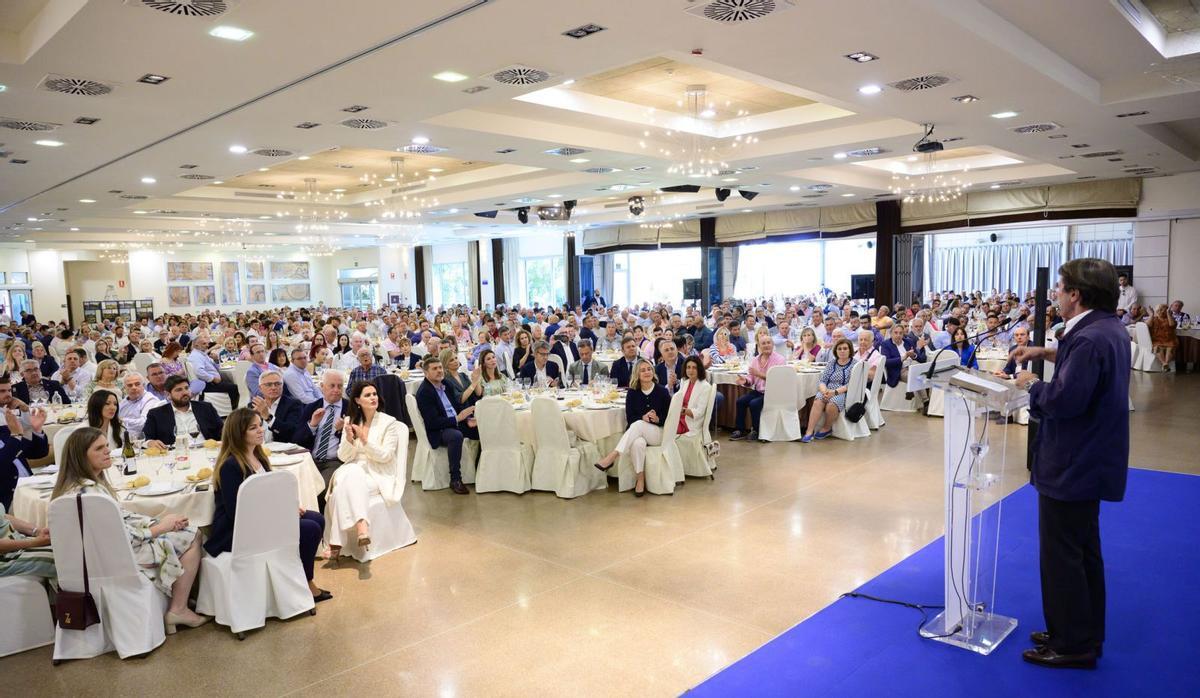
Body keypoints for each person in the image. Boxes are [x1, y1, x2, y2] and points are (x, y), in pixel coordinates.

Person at [1010, 258, 1130, 669]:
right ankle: (1079, 630)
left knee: (1062, 555)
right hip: (1091, 459)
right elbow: (1083, 365)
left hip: (1073, 462)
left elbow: (1065, 401)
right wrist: (1048, 350)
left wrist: (1034, 384)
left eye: (1060, 289)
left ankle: (1073, 643)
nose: (1056, 295)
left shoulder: (1089, 339)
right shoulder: (1106, 329)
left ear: (1075, 294)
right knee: (1083, 552)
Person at [52, 428, 210, 633]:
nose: (107, 451)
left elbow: (121, 519)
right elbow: (123, 537)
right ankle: (179, 608)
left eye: (106, 446)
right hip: (120, 559)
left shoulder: (72, 489)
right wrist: (161, 527)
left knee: (177, 529)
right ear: (81, 457)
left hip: (91, 560)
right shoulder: (92, 494)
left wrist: (159, 523)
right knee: (193, 535)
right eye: (99, 449)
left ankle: (180, 598)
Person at [204, 409, 330, 603]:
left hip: (262, 520)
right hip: (239, 530)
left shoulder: (259, 456)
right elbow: (236, 512)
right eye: (253, 428)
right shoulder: (231, 466)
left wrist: (288, 507)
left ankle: (300, 576)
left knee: (317, 518)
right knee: (309, 529)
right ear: (239, 433)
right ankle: (306, 582)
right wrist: (281, 515)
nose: (260, 430)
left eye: (259, 425)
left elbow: (268, 494)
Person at [325, 381, 416, 560]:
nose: (373, 397)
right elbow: (343, 457)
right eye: (368, 395)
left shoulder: (388, 422)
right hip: (352, 466)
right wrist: (349, 440)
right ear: (358, 400)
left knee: (339, 491)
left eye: (374, 394)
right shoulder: (350, 421)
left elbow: (386, 456)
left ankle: (335, 541)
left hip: (377, 469)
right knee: (352, 473)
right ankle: (361, 526)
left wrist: (365, 441)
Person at [592, 359, 670, 496]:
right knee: (637, 443)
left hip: (658, 433)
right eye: (643, 370)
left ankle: (612, 456)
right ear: (637, 374)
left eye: (649, 369)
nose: (647, 372)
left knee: (639, 424)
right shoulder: (633, 392)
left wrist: (658, 419)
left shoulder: (662, 391)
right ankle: (640, 479)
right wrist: (643, 417)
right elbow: (630, 417)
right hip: (639, 432)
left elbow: (669, 418)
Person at [413, 355, 476, 495]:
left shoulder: (445, 384)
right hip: (439, 430)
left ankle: (480, 470)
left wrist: (467, 419)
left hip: (454, 422)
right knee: (456, 436)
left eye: (440, 367)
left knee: (481, 428)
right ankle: (455, 479)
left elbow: (455, 406)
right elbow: (433, 422)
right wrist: (457, 419)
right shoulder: (425, 392)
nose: (439, 371)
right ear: (426, 373)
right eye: (434, 369)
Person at [296, 371, 348, 505]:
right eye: (332, 386)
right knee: (296, 489)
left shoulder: (350, 409)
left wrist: (342, 431)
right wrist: (312, 425)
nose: (336, 390)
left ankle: (317, 522)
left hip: (334, 461)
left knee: (320, 490)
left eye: (339, 386)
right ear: (322, 387)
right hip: (309, 460)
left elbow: (357, 442)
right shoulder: (311, 407)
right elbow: (297, 440)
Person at [730, 333, 786, 441]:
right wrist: (745, 380)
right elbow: (751, 379)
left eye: (768, 343)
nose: (766, 345)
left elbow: (777, 380)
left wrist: (758, 374)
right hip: (759, 391)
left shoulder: (780, 360)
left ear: (773, 344)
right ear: (759, 346)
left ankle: (757, 431)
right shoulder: (755, 360)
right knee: (740, 401)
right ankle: (740, 430)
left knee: (754, 404)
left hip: (773, 392)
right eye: (763, 343)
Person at [142, 375, 224, 448]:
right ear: (168, 395)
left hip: (206, 450)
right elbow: (146, 439)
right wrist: (150, 443)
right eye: (179, 390)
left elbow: (223, 431)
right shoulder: (156, 414)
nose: (185, 392)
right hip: (175, 455)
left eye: (186, 388)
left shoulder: (205, 408)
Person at [801, 339, 858, 443]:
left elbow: (851, 384)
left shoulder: (855, 364)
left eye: (845, 348)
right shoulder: (832, 363)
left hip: (843, 391)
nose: (842, 351)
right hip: (827, 389)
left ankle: (827, 428)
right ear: (836, 351)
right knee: (818, 401)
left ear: (850, 350)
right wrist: (824, 391)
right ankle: (809, 431)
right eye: (839, 349)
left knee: (832, 404)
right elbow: (823, 380)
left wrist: (834, 392)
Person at [0, 389, 47, 510]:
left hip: (30, 487)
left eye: (9, 390)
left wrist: (36, 430)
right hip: (8, 500)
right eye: (2, 391)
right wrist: (15, 436)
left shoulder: (4, 426)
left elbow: (38, 453)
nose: (8, 395)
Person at [0, 501, 55, 582]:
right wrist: (35, 543)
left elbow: (3, 517)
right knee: (61, 559)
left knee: (62, 545)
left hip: (14, 544)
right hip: (5, 557)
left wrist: (37, 531)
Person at [251, 369, 302, 444]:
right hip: (258, 449)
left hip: (282, 450)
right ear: (260, 388)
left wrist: (268, 418)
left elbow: (291, 432)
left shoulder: (293, 404)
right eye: (268, 384)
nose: (273, 387)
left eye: (278, 384)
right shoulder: (254, 405)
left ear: (282, 386)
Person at [189, 336, 240, 408]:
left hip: (212, 381)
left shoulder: (201, 354)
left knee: (231, 381)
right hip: (208, 384)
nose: (207, 345)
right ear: (196, 345)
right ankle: (234, 409)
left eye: (207, 343)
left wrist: (216, 360)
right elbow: (198, 371)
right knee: (234, 387)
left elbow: (213, 366)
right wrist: (213, 378)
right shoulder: (196, 356)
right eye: (204, 344)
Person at [675, 356, 714, 440]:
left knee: (667, 433)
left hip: (691, 423)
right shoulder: (684, 381)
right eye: (688, 367)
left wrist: (683, 410)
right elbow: (678, 400)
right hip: (679, 418)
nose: (690, 370)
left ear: (699, 369)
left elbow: (699, 412)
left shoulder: (705, 387)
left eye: (694, 368)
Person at [118, 371, 164, 440]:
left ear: (143, 385)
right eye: (130, 385)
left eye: (137, 384)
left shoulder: (150, 400)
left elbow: (144, 423)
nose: (134, 387)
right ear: (124, 388)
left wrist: (122, 421)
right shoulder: (123, 402)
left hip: (142, 441)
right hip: (121, 438)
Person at [1147, 303, 1177, 372]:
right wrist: (1151, 315)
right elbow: (1147, 325)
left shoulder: (1170, 319)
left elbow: (1172, 325)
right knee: (1157, 347)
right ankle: (1165, 363)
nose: (1162, 312)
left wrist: (1168, 314)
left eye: (1164, 310)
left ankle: (1165, 364)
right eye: (1160, 310)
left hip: (1169, 340)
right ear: (1157, 311)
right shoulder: (1154, 319)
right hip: (1157, 340)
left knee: (1171, 348)